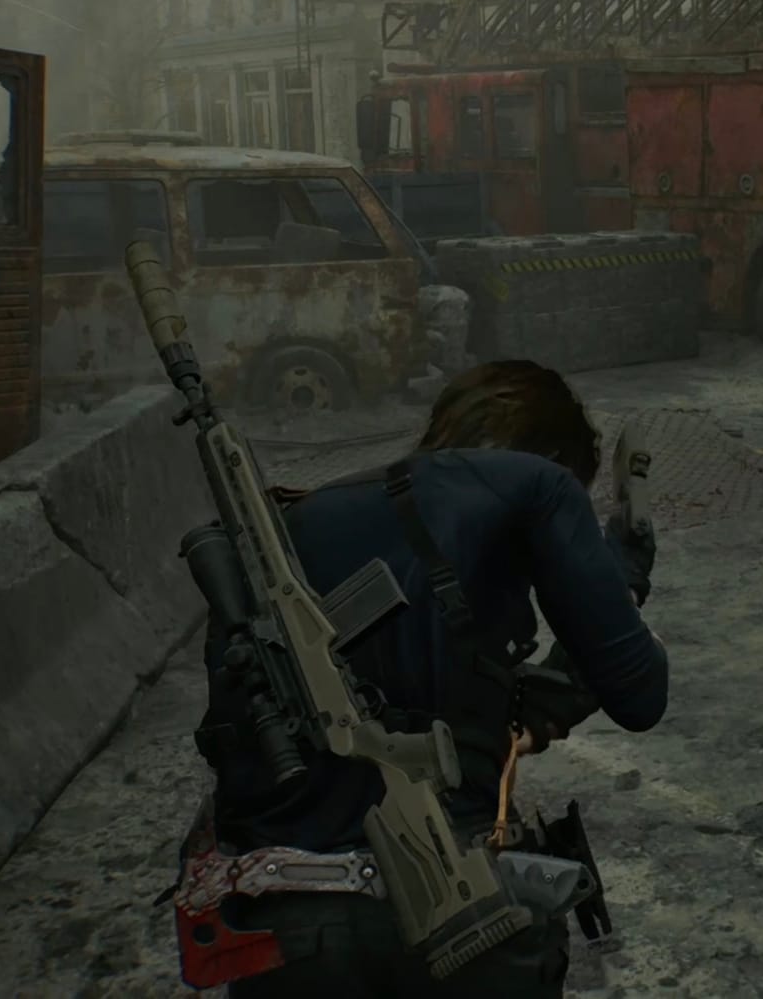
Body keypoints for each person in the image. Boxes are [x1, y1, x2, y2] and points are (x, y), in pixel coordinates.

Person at [176, 359, 669, 998]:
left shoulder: (294, 525)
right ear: (550, 456)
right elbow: (639, 694)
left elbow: (430, 702)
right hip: (451, 918)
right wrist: (620, 580)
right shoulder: (537, 483)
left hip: (278, 928)